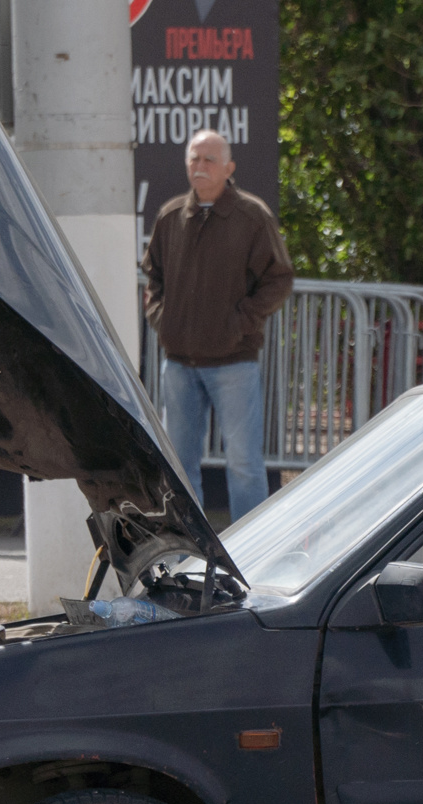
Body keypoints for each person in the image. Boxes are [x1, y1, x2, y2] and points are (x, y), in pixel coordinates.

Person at [142, 129, 294, 524]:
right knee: (178, 467)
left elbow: (278, 279)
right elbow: (151, 277)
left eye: (209, 159)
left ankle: (253, 550)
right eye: (194, 158)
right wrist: (164, 320)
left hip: (233, 363)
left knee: (244, 465)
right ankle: (185, 552)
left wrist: (240, 324)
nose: (200, 166)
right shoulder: (170, 216)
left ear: (229, 168)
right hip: (178, 364)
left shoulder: (252, 216)